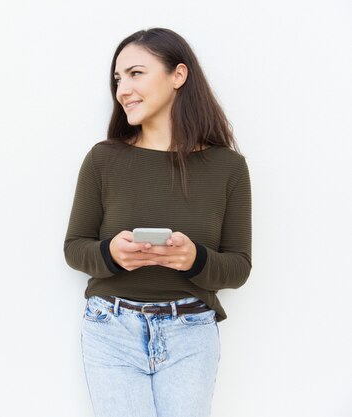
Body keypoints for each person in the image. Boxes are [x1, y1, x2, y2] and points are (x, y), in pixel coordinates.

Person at [63, 28, 252, 417]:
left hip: (191, 331)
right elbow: (74, 247)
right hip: (110, 329)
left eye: (135, 74)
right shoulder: (103, 160)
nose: (122, 90)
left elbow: (239, 267)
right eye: (118, 79)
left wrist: (194, 259)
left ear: (178, 75)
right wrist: (111, 253)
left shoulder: (228, 167)